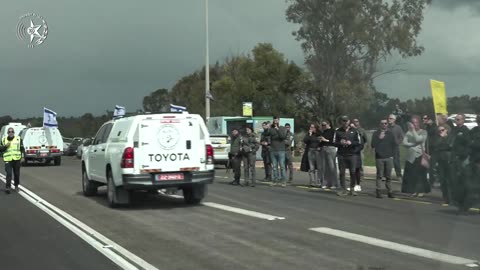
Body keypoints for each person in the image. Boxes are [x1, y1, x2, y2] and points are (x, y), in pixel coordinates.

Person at [401, 115, 430, 197]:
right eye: (413, 123)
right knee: (411, 175)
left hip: (420, 156)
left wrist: (413, 130)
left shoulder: (424, 132)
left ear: (419, 123)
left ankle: (421, 191)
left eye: (416, 122)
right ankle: (413, 191)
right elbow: (404, 143)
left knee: (420, 176)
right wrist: (413, 144)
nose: (415, 124)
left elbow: (419, 139)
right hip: (410, 156)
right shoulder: (408, 132)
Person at [450, 114, 472, 213]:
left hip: (463, 158)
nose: (456, 121)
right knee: (456, 181)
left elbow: (468, 145)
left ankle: (465, 205)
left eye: (458, 119)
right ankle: (458, 202)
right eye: (455, 119)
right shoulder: (453, 130)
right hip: (454, 158)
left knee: (464, 181)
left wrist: (463, 155)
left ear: (463, 120)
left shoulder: (465, 130)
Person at [335, 115, 362, 196]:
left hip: (352, 154)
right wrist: (340, 142)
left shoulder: (354, 131)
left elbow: (359, 142)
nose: (345, 122)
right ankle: (343, 189)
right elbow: (334, 142)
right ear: (341, 122)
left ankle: (352, 189)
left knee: (353, 172)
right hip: (341, 154)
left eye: (346, 121)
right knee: (342, 172)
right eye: (343, 121)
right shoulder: (338, 131)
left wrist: (351, 143)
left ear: (349, 121)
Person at [371, 119, 396, 199]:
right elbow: (373, 145)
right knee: (380, 175)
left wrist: (392, 155)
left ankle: (390, 191)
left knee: (389, 176)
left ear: (387, 125)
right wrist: (379, 138)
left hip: (388, 157)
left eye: (385, 123)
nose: (384, 125)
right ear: (380, 124)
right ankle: (379, 191)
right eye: (382, 123)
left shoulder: (390, 133)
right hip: (379, 157)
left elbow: (394, 145)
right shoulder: (376, 133)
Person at [0, 127, 25, 194]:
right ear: (7, 133)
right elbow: (1, 149)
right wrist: (5, 146)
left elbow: (22, 149)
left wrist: (22, 157)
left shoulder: (18, 139)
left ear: (14, 132)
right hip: (8, 160)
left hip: (16, 159)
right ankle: (7, 187)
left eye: (12, 131)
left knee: (16, 174)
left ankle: (16, 185)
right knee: (9, 173)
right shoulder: (4, 139)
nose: (11, 133)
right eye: (9, 132)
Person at [433, 125, 453, 205]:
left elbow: (450, 145)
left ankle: (451, 198)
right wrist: (441, 137)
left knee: (450, 180)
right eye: (439, 131)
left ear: (446, 130)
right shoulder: (438, 138)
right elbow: (435, 146)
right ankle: (445, 198)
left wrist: (442, 145)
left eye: (442, 130)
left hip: (449, 161)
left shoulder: (451, 137)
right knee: (443, 180)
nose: (440, 132)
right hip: (441, 161)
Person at [266, 117, 287, 187]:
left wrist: (277, 129)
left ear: (279, 121)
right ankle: (275, 180)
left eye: (277, 120)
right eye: (274, 120)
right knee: (274, 167)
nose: (275, 121)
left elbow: (283, 137)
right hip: (273, 150)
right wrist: (268, 127)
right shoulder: (271, 129)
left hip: (281, 150)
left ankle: (283, 181)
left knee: (282, 166)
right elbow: (266, 134)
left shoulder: (282, 128)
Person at [319, 120, 338, 189]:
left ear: (328, 124)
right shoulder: (323, 132)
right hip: (324, 148)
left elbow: (334, 141)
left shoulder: (333, 131)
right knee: (324, 167)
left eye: (324, 125)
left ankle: (334, 183)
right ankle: (326, 182)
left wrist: (325, 140)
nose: (323, 126)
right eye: (322, 125)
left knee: (332, 166)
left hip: (331, 148)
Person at [303, 123, 322, 187]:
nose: (311, 128)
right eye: (310, 127)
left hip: (317, 151)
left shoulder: (319, 134)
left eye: (312, 127)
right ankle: (312, 181)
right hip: (310, 150)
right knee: (312, 167)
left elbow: (321, 141)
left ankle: (319, 181)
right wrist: (310, 134)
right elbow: (305, 140)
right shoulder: (309, 134)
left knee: (319, 167)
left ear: (315, 128)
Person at [352, 118, 367, 191]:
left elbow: (365, 139)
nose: (355, 123)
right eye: (354, 122)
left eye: (356, 121)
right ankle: (355, 177)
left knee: (361, 163)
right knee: (355, 164)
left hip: (361, 148)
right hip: (355, 149)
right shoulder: (351, 129)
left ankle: (361, 176)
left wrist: (364, 148)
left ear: (359, 122)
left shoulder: (362, 130)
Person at [387, 114, 404, 179]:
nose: (389, 120)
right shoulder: (386, 127)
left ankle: (399, 175)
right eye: (389, 118)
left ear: (394, 120)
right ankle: (386, 175)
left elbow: (401, 137)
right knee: (387, 161)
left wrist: (397, 142)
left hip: (395, 147)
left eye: (391, 118)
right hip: (387, 147)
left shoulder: (398, 128)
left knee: (396, 161)